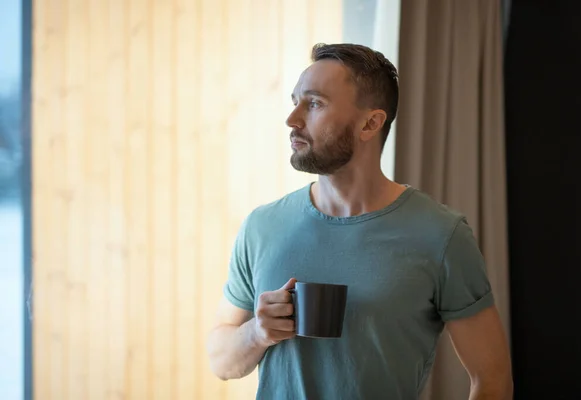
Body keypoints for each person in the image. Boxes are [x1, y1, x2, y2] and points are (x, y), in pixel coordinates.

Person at [207, 43, 513, 399]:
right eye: (296, 102)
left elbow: (492, 379)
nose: (293, 119)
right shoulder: (261, 227)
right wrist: (257, 332)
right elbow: (221, 362)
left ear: (371, 123)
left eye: (315, 103)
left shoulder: (441, 236)